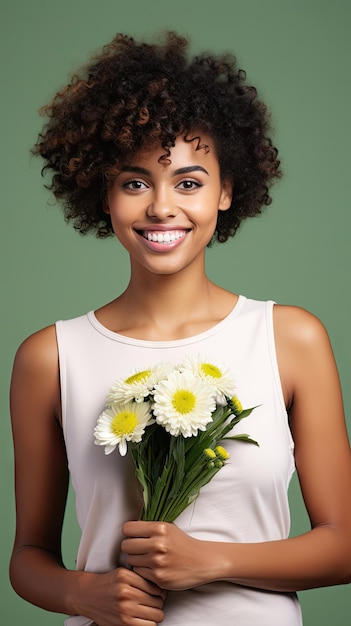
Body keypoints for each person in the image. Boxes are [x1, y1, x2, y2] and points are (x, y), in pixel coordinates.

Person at [9, 31, 351, 626]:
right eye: (135, 182)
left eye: (189, 183)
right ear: (105, 195)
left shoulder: (290, 339)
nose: (162, 207)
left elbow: (345, 544)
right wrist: (78, 595)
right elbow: (28, 556)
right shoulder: (50, 357)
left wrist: (210, 561)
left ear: (226, 192)